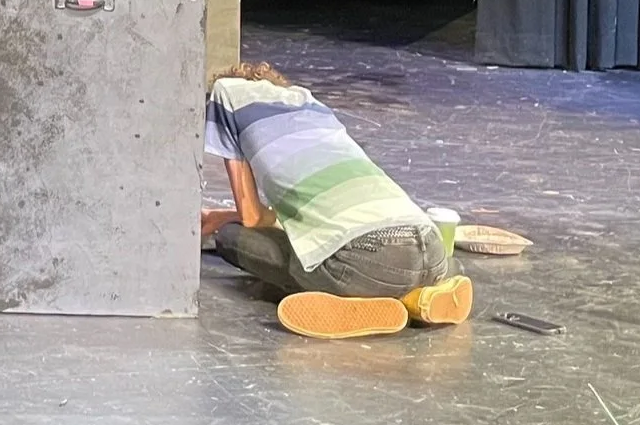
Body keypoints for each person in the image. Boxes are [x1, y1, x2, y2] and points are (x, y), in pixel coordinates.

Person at [198, 62, 474, 340]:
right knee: (418, 266)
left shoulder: (228, 99)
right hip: (430, 248)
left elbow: (252, 218)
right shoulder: (312, 106)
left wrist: (227, 219)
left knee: (232, 238)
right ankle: (420, 299)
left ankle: (352, 299)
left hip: (363, 260)